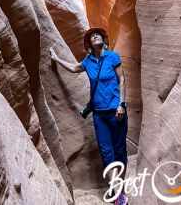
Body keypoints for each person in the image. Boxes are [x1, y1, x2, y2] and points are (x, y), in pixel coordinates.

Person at [50, 27, 128, 205]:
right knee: (107, 152)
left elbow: (122, 80)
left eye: (98, 34)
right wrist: (56, 58)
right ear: (89, 44)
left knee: (120, 151)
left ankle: (120, 186)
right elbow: (74, 68)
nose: (95, 36)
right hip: (99, 115)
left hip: (117, 112)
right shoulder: (88, 61)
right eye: (92, 36)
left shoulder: (113, 57)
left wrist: (121, 104)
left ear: (103, 39)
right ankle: (117, 193)